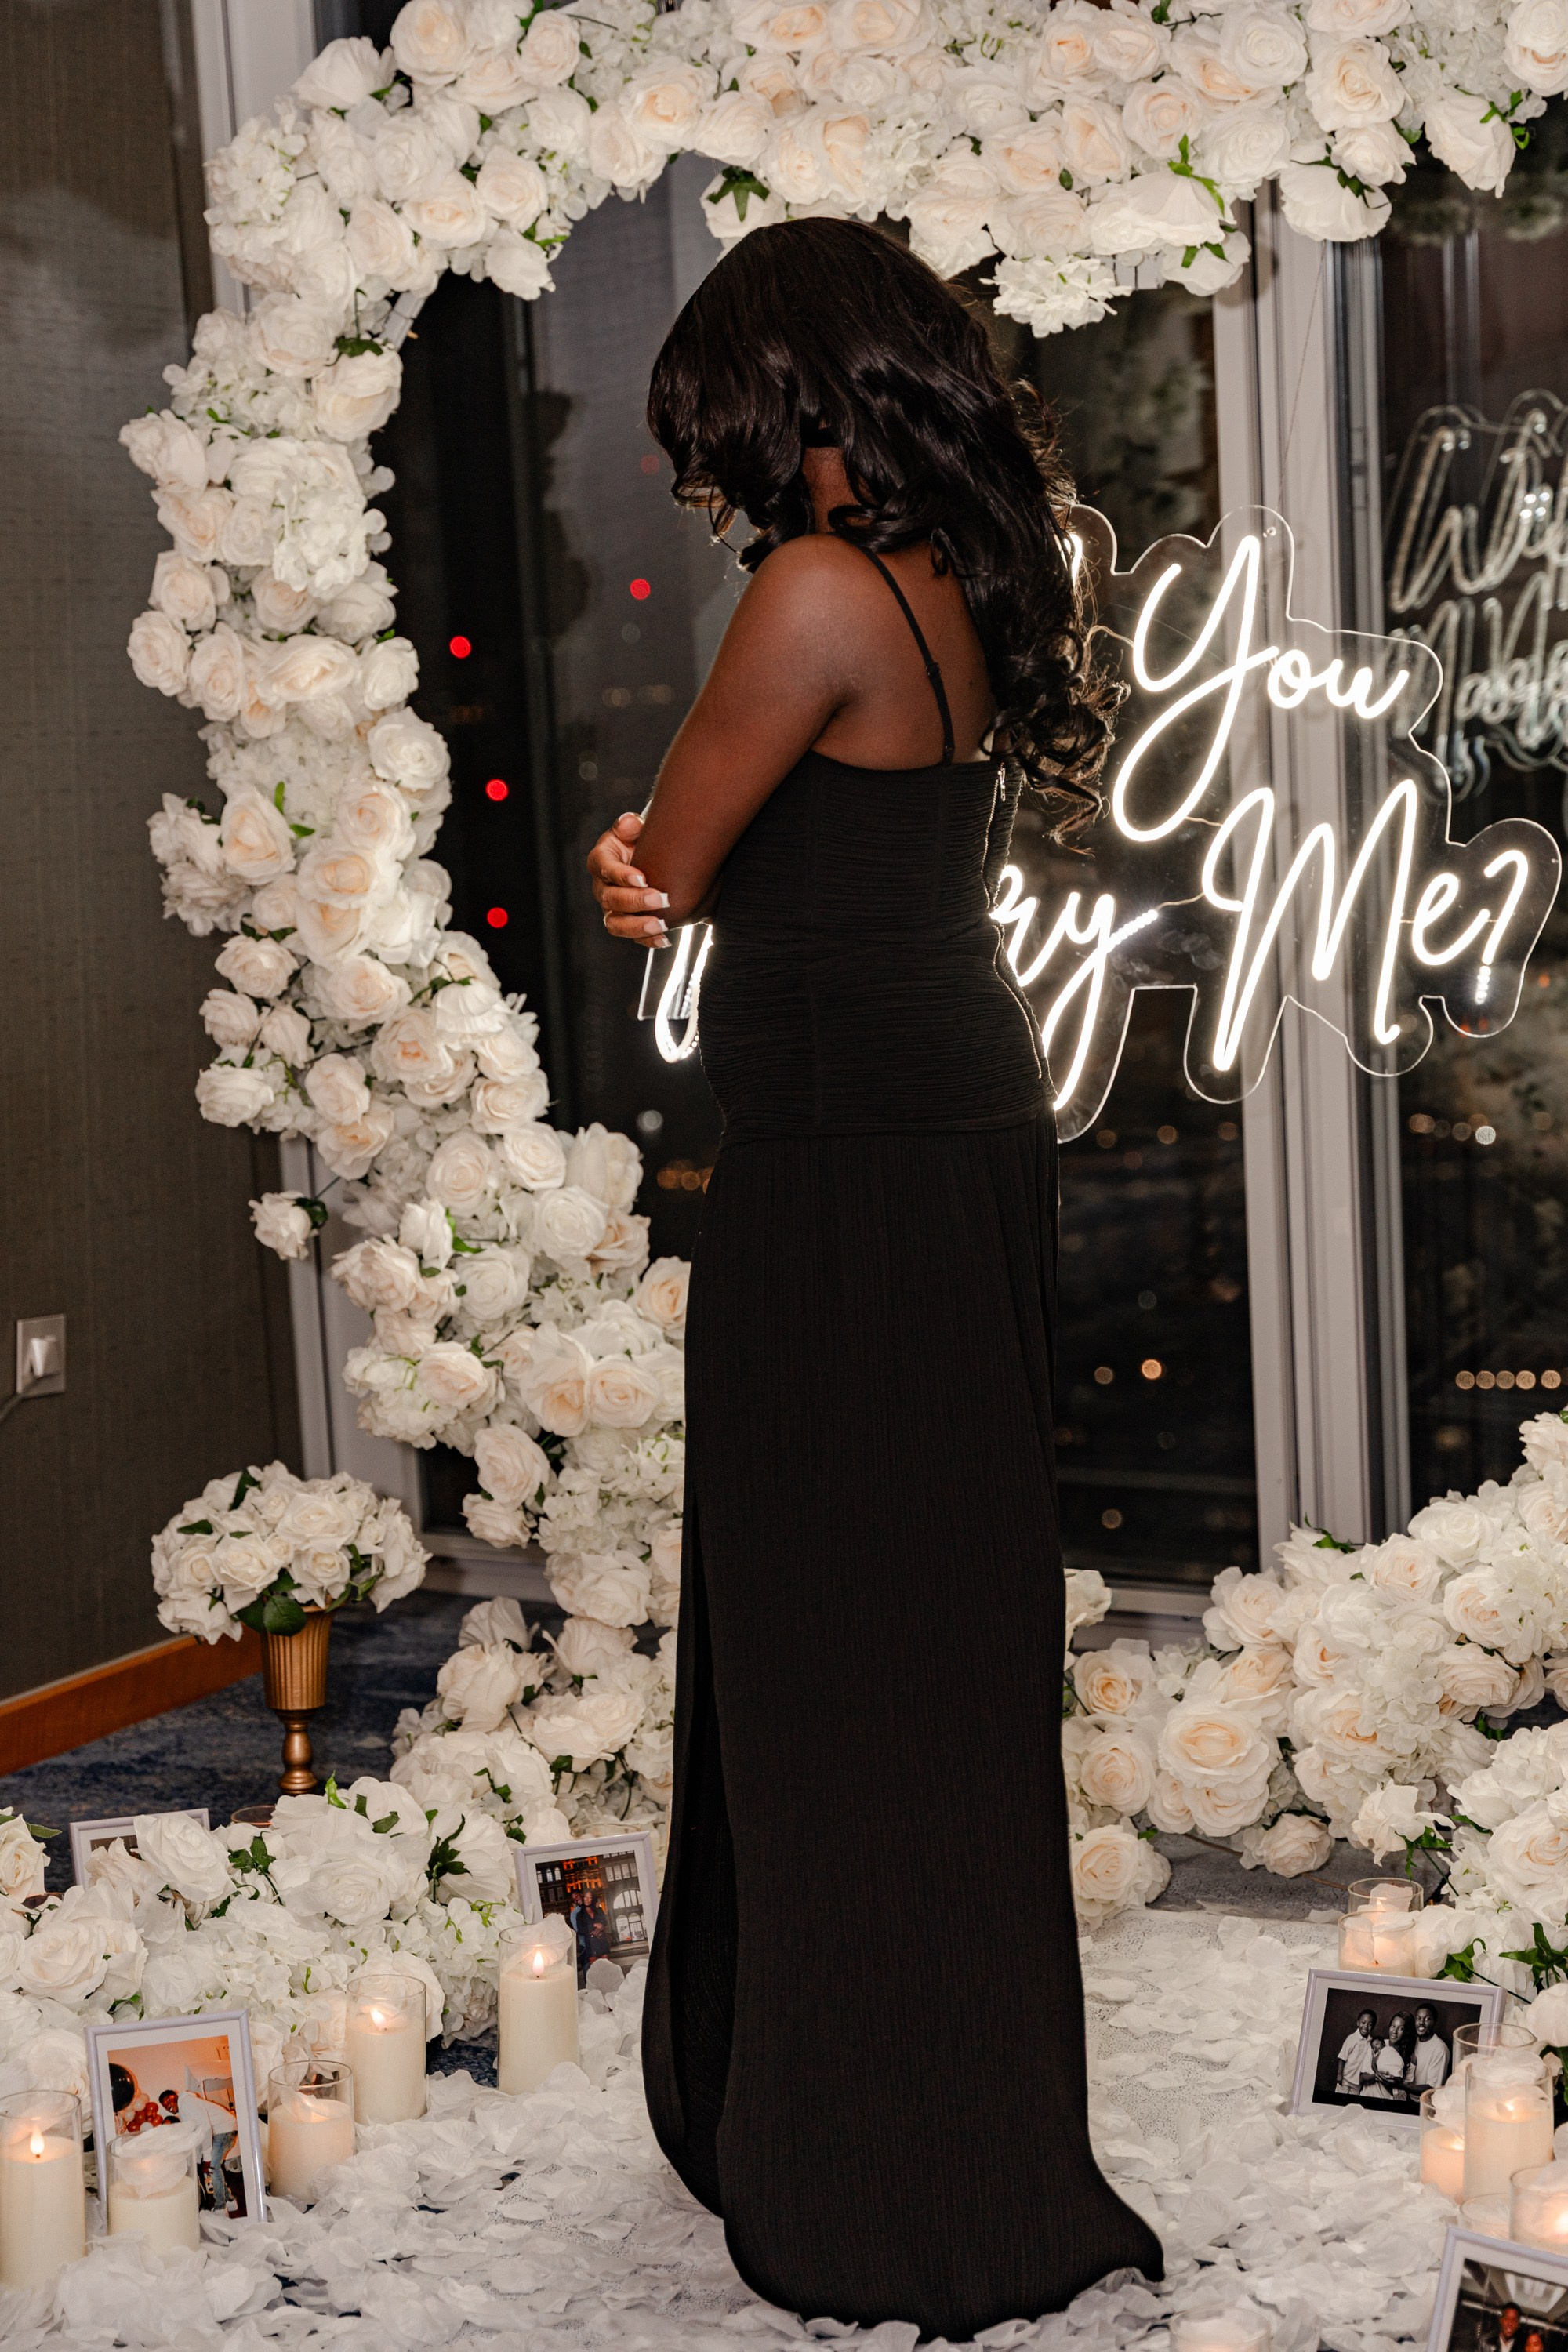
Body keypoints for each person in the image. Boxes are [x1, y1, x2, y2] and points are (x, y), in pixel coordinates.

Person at [587, 216, 1161, 2339]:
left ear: (788, 388)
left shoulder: (817, 590)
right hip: (944, 1139)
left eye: (719, 410)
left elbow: (669, 859)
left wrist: (624, 861)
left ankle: (865, 2167)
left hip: (838, 1178)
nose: (711, 455)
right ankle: (933, 2122)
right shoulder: (949, 571)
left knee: (838, 1663)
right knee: (927, 1649)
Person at [1361, 2012, 1415, 2102]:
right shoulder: (1377, 2045)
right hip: (1366, 2100)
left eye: (1400, 2028)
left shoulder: (1410, 2058)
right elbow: (1362, 2078)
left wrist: (1393, 2083)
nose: (1394, 2031)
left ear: (1407, 2032)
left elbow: (1401, 2095)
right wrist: (1377, 2075)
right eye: (1393, 2026)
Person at [1336, 2008, 1378, 2096]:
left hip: (1358, 2082)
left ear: (1373, 2027)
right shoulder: (1352, 2038)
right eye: (1363, 2022)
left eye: (1370, 2024)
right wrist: (1339, 2074)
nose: (1366, 2027)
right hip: (1346, 2079)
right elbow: (1342, 2057)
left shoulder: (1371, 2042)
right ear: (1358, 2022)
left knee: (1352, 2105)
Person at [1410, 2005, 1450, 2090]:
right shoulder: (1412, 2040)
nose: (1421, 2022)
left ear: (1435, 2021)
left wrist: (1401, 2086)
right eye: (1418, 2018)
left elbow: (1432, 2089)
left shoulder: (1439, 2049)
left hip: (1422, 2101)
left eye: (1427, 2019)